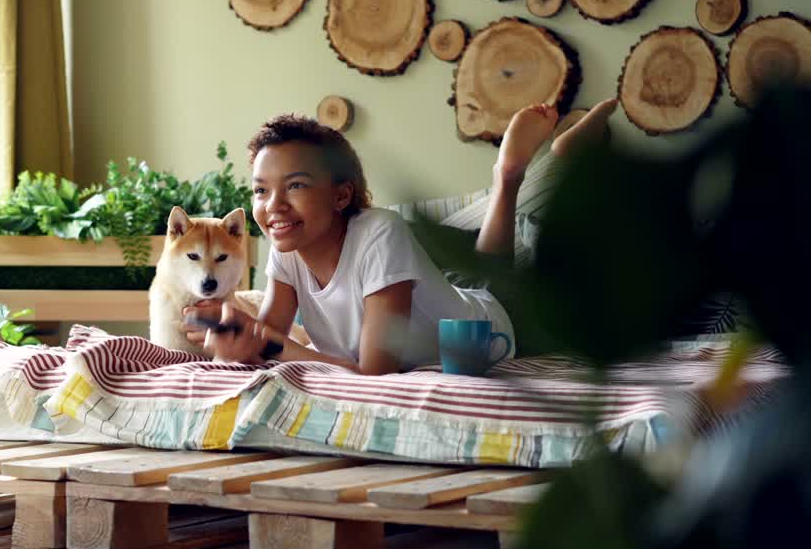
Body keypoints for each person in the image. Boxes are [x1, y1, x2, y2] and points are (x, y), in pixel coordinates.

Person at [183, 99, 620, 375]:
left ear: (341, 196)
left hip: (496, 326)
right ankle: (514, 176)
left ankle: (535, 169)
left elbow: (374, 373)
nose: (273, 206)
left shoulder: (380, 231)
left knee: (510, 278)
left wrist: (269, 344)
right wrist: (233, 344)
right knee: (478, 273)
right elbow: (265, 340)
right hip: (445, 297)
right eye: (261, 190)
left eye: (295, 185)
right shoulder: (288, 246)